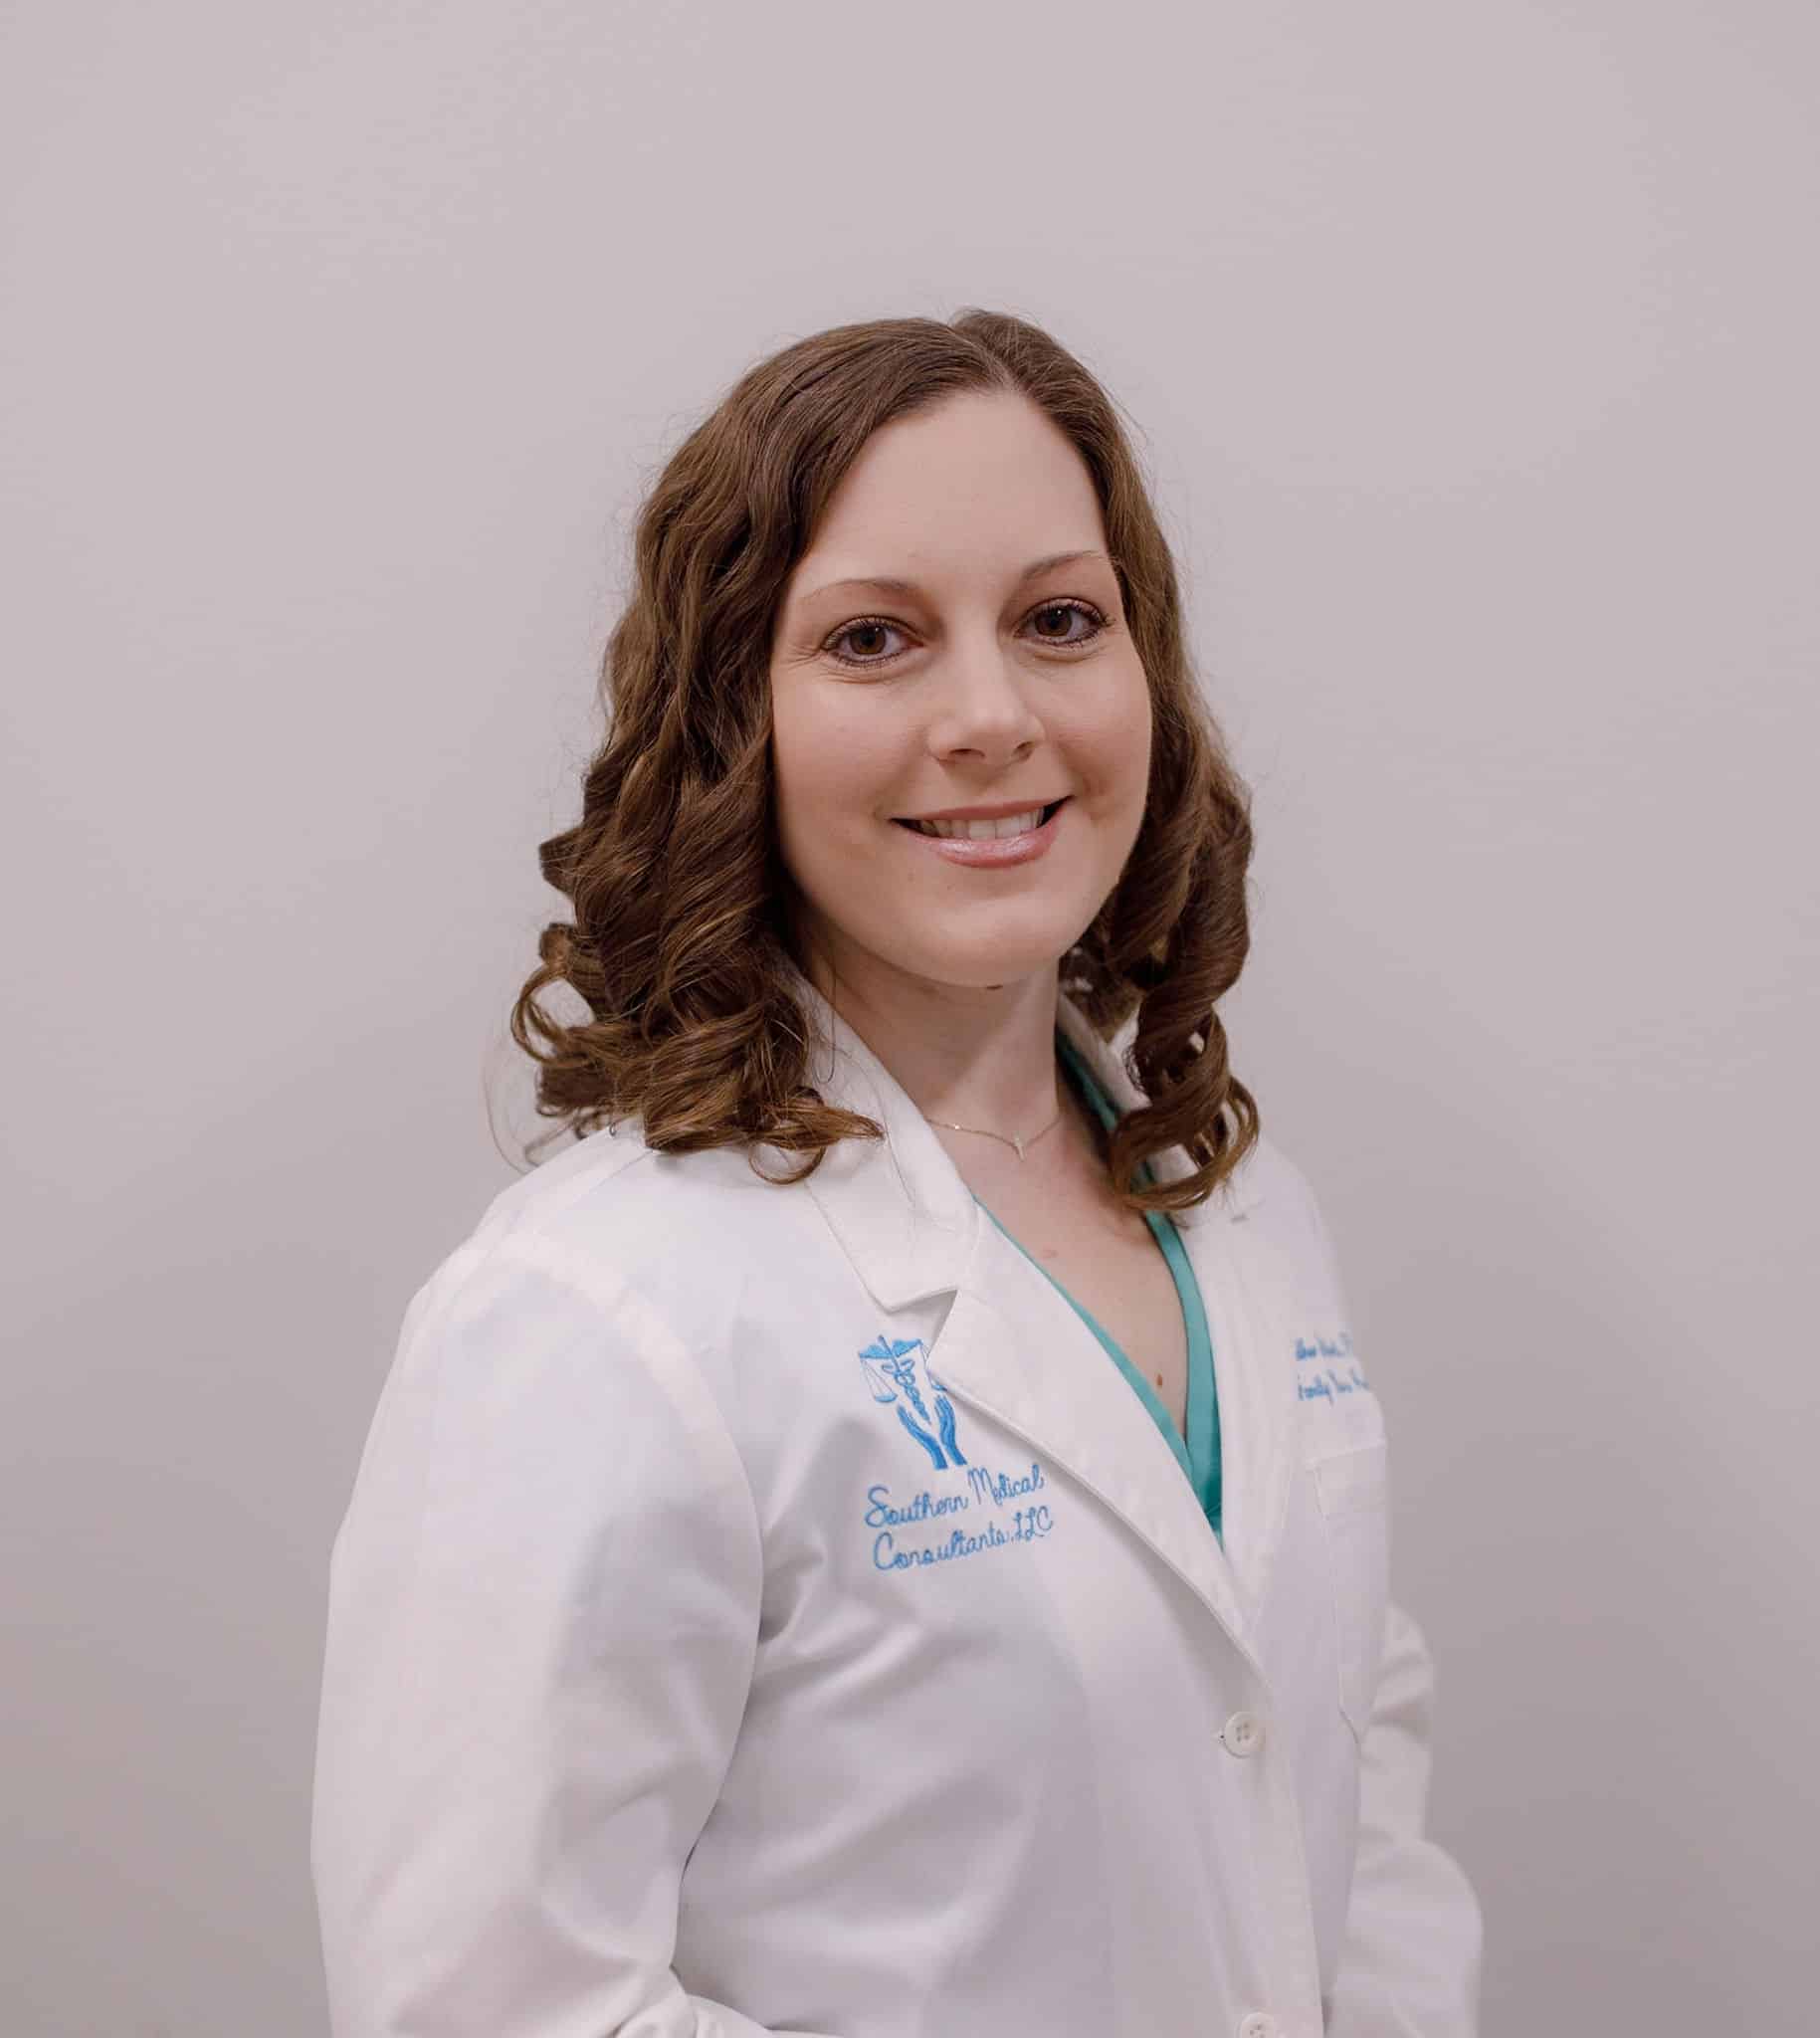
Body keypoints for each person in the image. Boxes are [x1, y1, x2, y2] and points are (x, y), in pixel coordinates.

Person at [309, 309, 1484, 2037]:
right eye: (873, 640)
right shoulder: (596, 1312)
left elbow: (1338, 1774)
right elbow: (487, 2006)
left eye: (1058, 622)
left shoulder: (1235, 1210)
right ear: (734, 720)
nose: (993, 716)